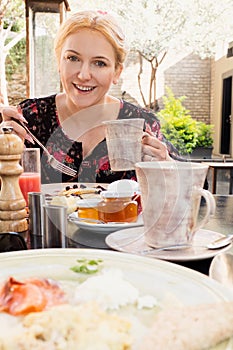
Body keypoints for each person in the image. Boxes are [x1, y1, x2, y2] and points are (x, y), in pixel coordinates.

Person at [0, 10, 180, 184]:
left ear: (117, 72)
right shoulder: (29, 119)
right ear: (59, 62)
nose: (84, 74)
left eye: (99, 63)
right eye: (73, 58)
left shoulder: (141, 123)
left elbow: (195, 196)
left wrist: (168, 171)